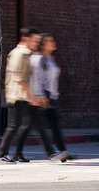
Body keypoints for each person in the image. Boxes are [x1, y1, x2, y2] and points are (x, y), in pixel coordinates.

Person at [0, 27, 42, 163]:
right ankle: (2, 154)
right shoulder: (19, 54)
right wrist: (31, 96)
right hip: (18, 95)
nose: (36, 44)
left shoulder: (26, 54)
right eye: (34, 40)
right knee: (13, 125)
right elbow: (18, 78)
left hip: (23, 95)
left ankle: (17, 153)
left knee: (23, 124)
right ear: (25, 39)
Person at [30, 33, 70, 162]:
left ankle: (62, 152)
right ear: (43, 45)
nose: (53, 42)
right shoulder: (39, 59)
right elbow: (39, 79)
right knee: (34, 126)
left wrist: (53, 95)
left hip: (50, 96)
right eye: (49, 41)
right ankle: (52, 153)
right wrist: (42, 95)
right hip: (42, 96)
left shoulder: (50, 58)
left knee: (54, 124)